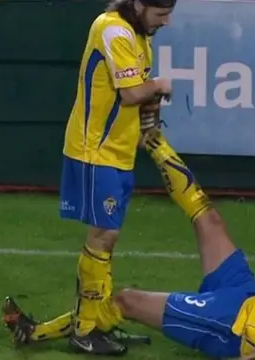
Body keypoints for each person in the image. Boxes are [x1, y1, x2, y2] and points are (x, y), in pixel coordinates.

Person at [6, 131, 255, 359]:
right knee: (207, 217)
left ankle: (35, 332)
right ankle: (154, 139)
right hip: (244, 295)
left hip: (231, 326)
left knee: (126, 300)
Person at [24, 0, 192, 355]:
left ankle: (98, 322)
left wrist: (150, 122)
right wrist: (160, 85)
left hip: (118, 152)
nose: (167, 20)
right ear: (139, 4)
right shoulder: (113, 28)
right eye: (161, 13)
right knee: (103, 234)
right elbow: (132, 92)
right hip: (93, 151)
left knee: (107, 236)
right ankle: (85, 329)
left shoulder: (138, 34)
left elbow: (140, 92)